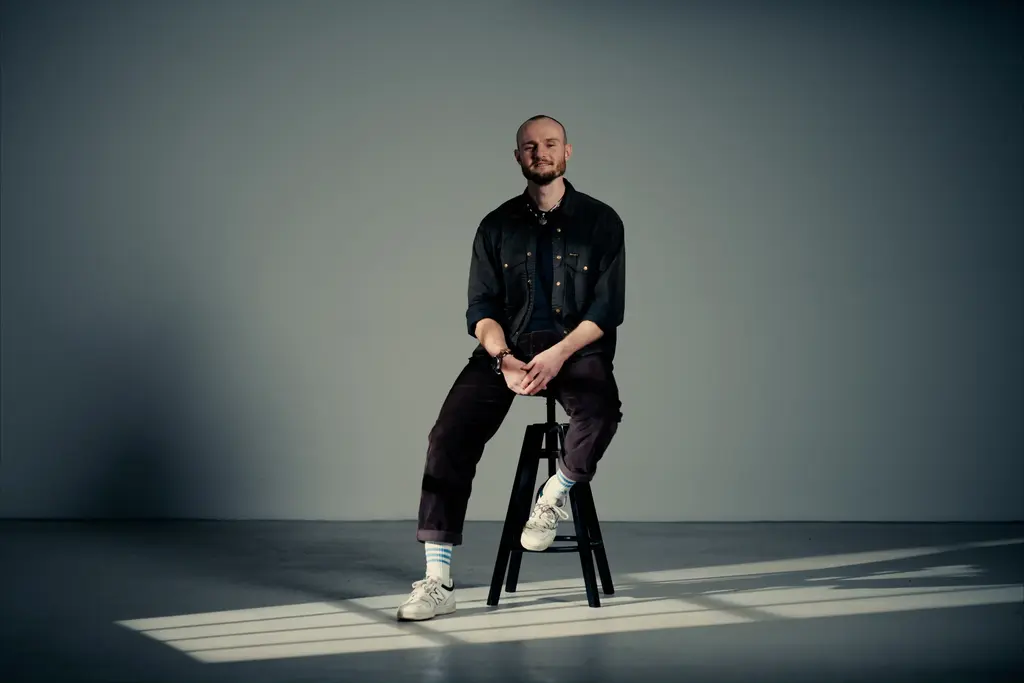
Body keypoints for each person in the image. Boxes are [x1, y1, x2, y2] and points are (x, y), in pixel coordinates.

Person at [397, 115, 626, 621]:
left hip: (575, 349)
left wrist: (558, 354)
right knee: (447, 437)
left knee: (601, 412)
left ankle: (553, 494)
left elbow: (607, 312)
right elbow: (480, 309)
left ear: (567, 152)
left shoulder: (602, 221)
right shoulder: (495, 225)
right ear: (518, 157)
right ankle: (438, 580)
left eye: (549, 144)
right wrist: (503, 360)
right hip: (508, 350)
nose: (539, 153)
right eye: (529, 146)